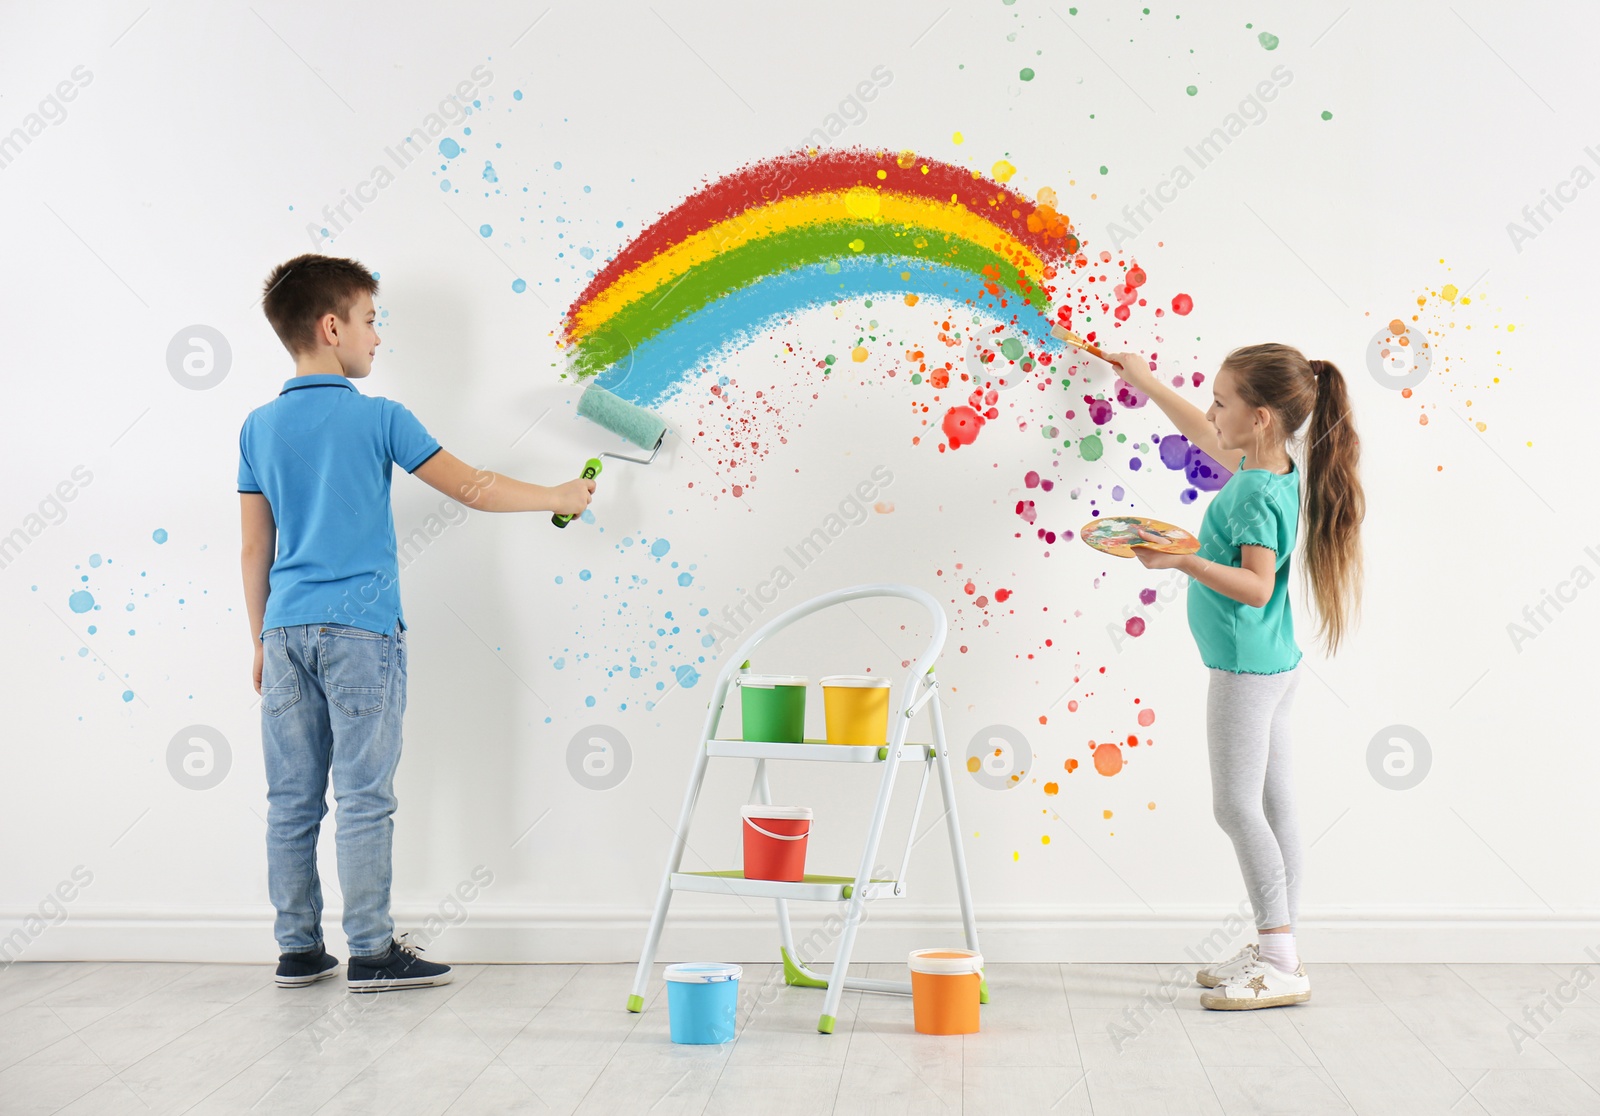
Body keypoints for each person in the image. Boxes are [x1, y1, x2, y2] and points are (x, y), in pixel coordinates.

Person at [238, 254, 595, 991]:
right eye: (370, 321)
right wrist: (560, 492)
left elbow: (254, 545)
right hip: (361, 634)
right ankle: (371, 951)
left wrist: (260, 642)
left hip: (284, 632)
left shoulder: (258, 427)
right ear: (332, 327)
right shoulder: (379, 418)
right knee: (365, 795)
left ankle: (298, 950)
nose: (376, 337)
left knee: (292, 799)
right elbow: (472, 486)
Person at [1107, 344, 1364, 1010]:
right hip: (1275, 666)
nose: (1212, 410)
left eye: (1222, 400)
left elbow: (1255, 586)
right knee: (1275, 809)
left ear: (1258, 417)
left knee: (1235, 807)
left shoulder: (1252, 489)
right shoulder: (1272, 464)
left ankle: (1280, 961)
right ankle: (1280, 950)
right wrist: (1145, 381)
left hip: (1246, 671)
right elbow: (1201, 430)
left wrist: (1180, 560)